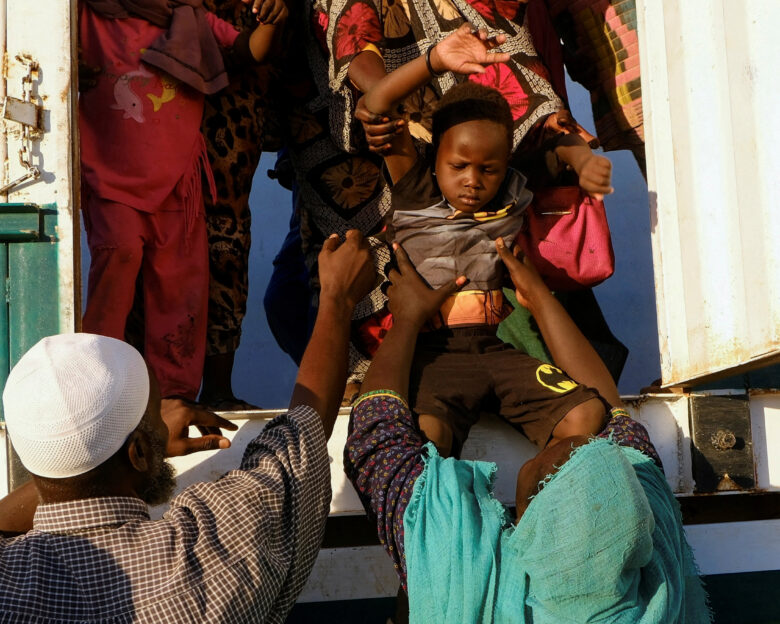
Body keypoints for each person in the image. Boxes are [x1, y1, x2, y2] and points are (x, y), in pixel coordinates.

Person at [0, 231, 375, 623]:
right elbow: (304, 432)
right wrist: (337, 297)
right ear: (140, 454)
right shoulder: (207, 552)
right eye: (154, 417)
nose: (164, 422)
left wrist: (84, 446)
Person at [344, 240, 711, 623]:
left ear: (524, 521)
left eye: (544, 466)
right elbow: (611, 412)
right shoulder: (655, 590)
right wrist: (538, 297)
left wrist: (405, 319)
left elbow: (376, 434)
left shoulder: (463, 579)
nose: (581, 442)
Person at [359, 25, 611, 457]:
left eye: (488, 169)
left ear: (504, 163)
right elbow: (377, 102)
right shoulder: (418, 187)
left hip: (495, 348)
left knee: (586, 415)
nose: (473, 181)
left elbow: (558, 148)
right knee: (427, 438)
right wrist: (435, 60)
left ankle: (537, 509)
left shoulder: (512, 186)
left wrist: (584, 160)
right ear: (435, 158)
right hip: (434, 354)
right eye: (458, 165)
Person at [78, 0, 285, 421]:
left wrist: (271, 20)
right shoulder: (85, 16)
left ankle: (174, 398)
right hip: (111, 177)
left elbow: (249, 50)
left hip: (177, 181)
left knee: (178, 285)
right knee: (119, 261)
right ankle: (93, 390)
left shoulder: (187, 17)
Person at [199, 0, 287, 411]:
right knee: (159, 257)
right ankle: (155, 392)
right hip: (166, 114)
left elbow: (254, 49)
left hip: (233, 131)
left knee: (227, 245)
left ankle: (217, 390)